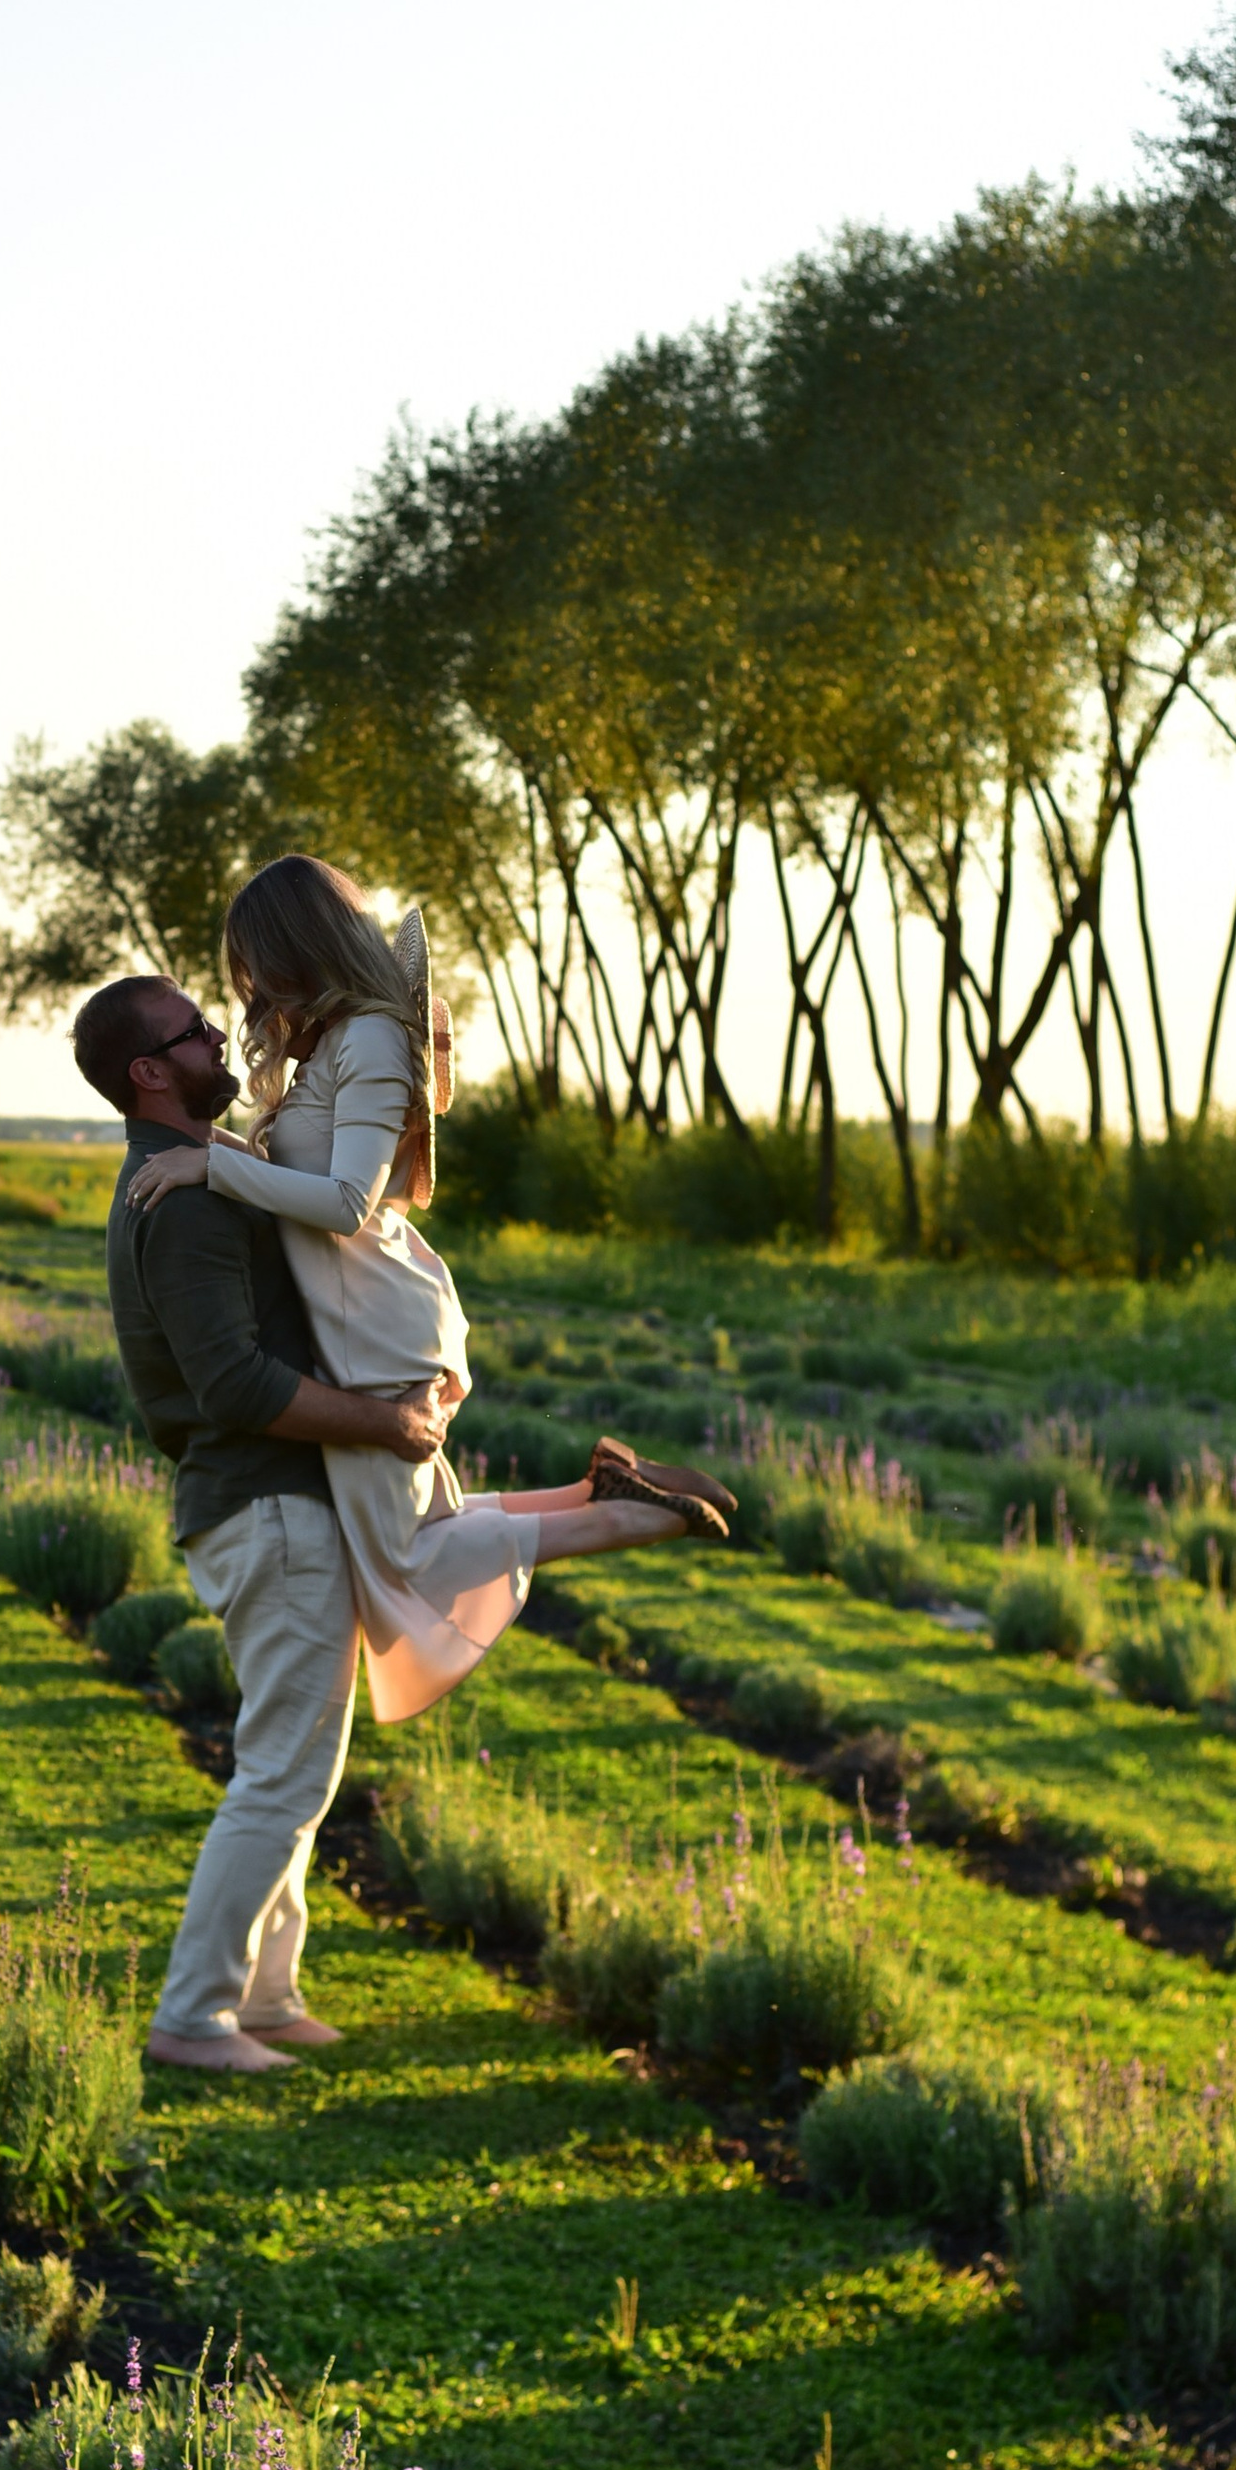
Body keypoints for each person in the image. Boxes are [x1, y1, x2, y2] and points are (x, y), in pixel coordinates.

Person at [126, 856, 732, 1724]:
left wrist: (216, 1163)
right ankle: (604, 1488)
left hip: (372, 1315)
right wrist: (236, 1157)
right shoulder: (335, 1044)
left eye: (254, 959)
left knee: (404, 1554)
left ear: (294, 945)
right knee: (423, 1518)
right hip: (365, 1312)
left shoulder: (369, 1037)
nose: (249, 985)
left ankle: (639, 1518)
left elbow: (345, 1202)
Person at [74, 967, 448, 2078]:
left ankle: (267, 1994)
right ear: (151, 1071)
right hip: (265, 1504)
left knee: (296, 1765)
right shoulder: (180, 1200)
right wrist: (385, 1424)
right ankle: (193, 2017)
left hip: (271, 1504)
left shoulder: (202, 1175)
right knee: (281, 1774)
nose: (215, 1035)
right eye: (191, 1029)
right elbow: (233, 1383)